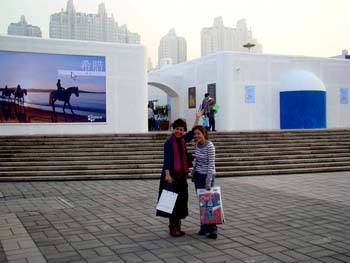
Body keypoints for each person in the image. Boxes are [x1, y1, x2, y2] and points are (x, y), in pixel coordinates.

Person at [156, 110, 203, 237]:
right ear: (173, 129)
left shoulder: (182, 140)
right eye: (177, 129)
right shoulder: (169, 143)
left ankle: (178, 226)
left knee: (181, 201)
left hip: (181, 176)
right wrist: (167, 175)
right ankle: (172, 227)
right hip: (171, 176)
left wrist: (197, 118)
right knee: (172, 202)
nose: (179, 132)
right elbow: (166, 160)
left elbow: (193, 132)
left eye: (181, 129)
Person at [192, 125, 218, 239]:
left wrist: (208, 181)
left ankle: (213, 230)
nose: (196, 136)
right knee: (202, 203)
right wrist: (193, 173)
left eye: (199, 134)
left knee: (209, 203)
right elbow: (197, 161)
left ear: (204, 134)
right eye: (195, 134)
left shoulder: (210, 146)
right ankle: (203, 227)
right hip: (198, 176)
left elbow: (211, 165)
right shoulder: (197, 145)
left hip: (207, 177)